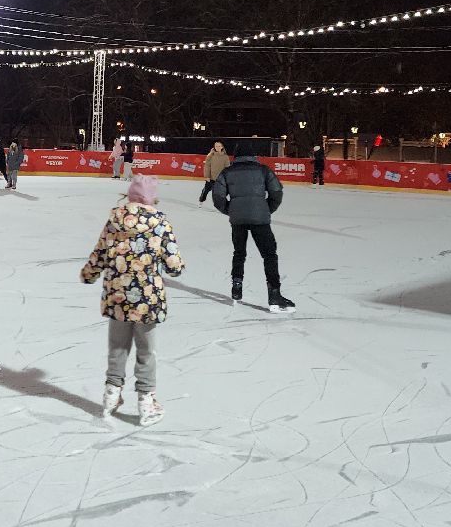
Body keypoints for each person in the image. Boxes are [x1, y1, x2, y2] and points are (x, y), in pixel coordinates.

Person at [80, 174, 185, 426]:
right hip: (147, 299)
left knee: (118, 347)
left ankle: (111, 395)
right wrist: (176, 266)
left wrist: (89, 274)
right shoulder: (160, 223)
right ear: (152, 199)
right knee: (146, 351)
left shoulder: (115, 220)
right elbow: (173, 265)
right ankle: (146, 403)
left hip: (117, 296)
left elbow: (100, 254)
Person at [211, 149, 295, 312]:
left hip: (237, 220)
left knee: (239, 253)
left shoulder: (227, 172)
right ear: (254, 157)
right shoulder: (263, 170)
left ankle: (236, 288)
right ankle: (274, 295)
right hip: (260, 219)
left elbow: (218, 196)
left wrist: (232, 210)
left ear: (235, 157)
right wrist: (266, 209)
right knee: (269, 255)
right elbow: (276, 192)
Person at [198, 140, 231, 207]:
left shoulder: (225, 157)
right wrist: (207, 176)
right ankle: (201, 200)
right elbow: (207, 166)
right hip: (211, 178)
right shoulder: (210, 155)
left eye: (219, 146)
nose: (218, 147)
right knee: (205, 191)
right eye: (216, 146)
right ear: (214, 147)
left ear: (222, 147)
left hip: (221, 179)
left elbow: (227, 168)